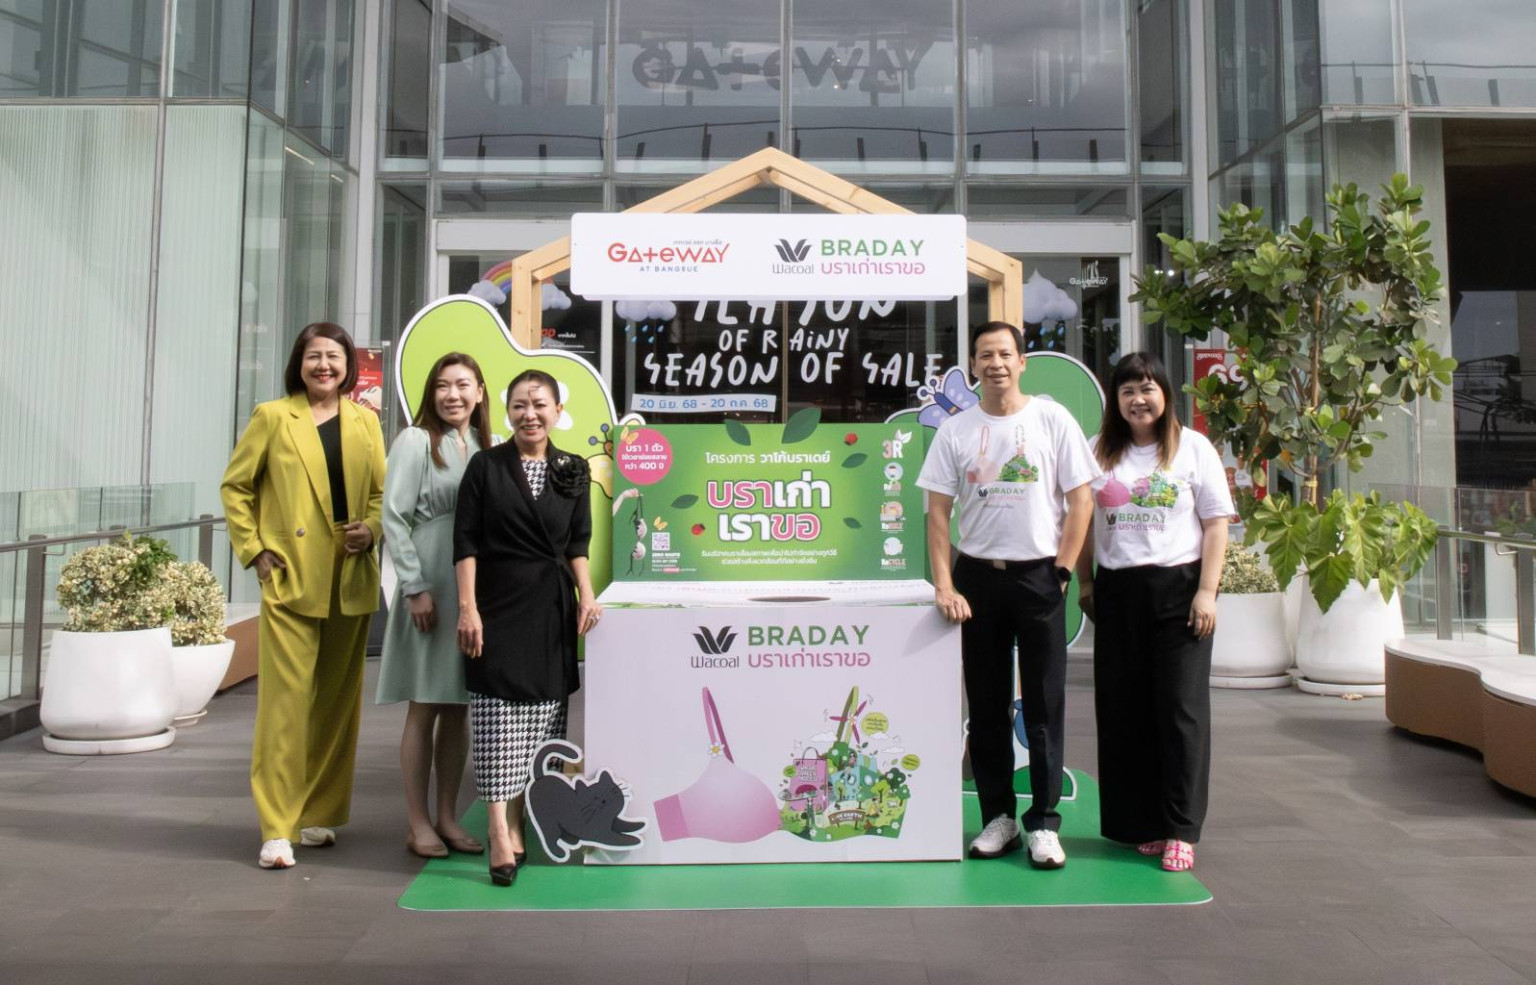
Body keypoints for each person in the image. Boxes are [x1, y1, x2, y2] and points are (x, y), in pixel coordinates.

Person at [917, 321, 1097, 869]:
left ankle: (1043, 823)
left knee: (1044, 705)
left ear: (1022, 362)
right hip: (978, 580)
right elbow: (937, 513)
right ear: (973, 366)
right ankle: (998, 817)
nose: (995, 363)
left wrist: (1062, 572)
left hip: (1040, 576)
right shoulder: (956, 431)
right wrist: (945, 584)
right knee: (987, 705)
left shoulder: (1051, 420)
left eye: (1004, 354)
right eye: (984, 355)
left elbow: (1081, 499)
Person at [221, 322, 386, 870]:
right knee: (284, 706)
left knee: (336, 703)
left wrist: (372, 529)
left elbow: (380, 492)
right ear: (299, 363)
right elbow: (236, 487)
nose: (324, 365)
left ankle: (317, 812)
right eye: (314, 356)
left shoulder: (365, 420)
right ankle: (277, 826)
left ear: (348, 366)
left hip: (349, 569)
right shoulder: (273, 416)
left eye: (334, 356)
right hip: (291, 571)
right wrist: (254, 551)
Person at [1076, 352, 1232, 873]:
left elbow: (1216, 524)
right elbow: (1081, 521)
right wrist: (1085, 583)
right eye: (1127, 391)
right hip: (1118, 592)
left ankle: (1181, 828)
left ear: (1164, 393)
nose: (1138, 400)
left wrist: (1207, 592)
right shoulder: (1099, 450)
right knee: (1125, 711)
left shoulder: (1193, 448)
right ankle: (1142, 823)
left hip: (1179, 591)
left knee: (1181, 711)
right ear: (1115, 400)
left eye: (1147, 389)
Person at [454, 369, 602, 886]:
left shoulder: (572, 468)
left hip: (550, 608)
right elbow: (465, 542)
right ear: (507, 411)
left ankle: (518, 823)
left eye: (540, 404)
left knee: (542, 722)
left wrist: (586, 594)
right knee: (496, 720)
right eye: (519, 404)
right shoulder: (486, 466)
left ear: (558, 411)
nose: (530, 414)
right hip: (496, 605)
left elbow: (578, 543)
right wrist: (468, 608)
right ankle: (498, 829)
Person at [376, 353, 493, 859]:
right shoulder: (415, 440)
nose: (453, 395)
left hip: (471, 586)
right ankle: (417, 821)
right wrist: (414, 586)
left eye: (463, 385)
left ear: (480, 392)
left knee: (458, 705)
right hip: (429, 580)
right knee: (424, 705)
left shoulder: (487, 445)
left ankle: (447, 815)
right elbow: (394, 516)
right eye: (443, 385)